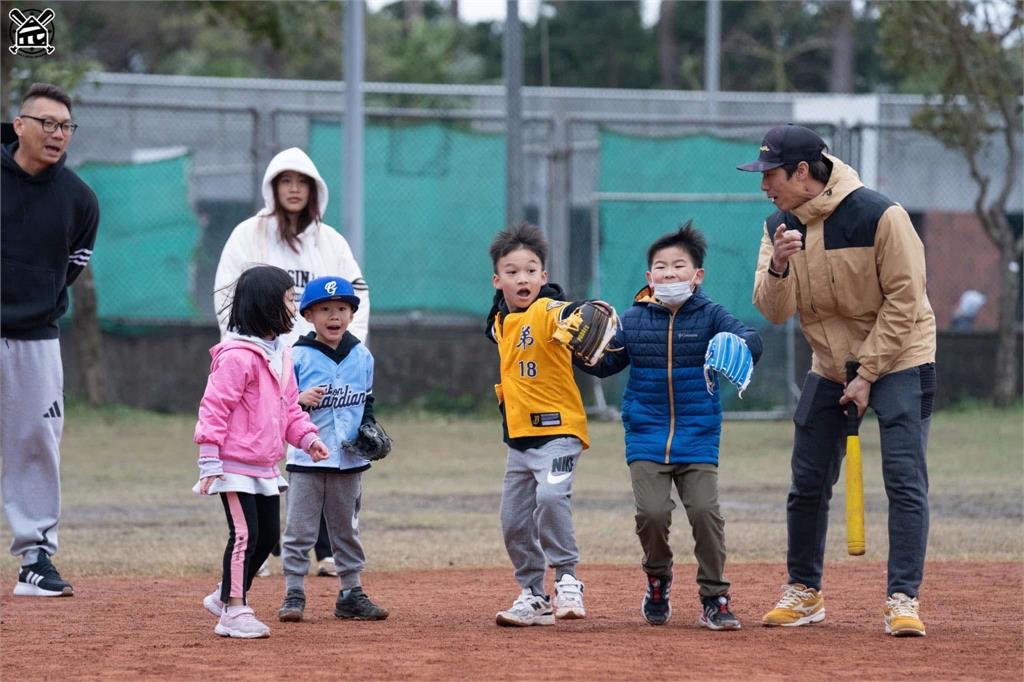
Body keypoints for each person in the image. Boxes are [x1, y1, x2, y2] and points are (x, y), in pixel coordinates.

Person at [738, 124, 936, 637]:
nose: (765, 187)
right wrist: (778, 266)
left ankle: (902, 598)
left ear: (803, 172)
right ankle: (804, 592)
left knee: (904, 480)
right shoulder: (777, 226)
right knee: (806, 483)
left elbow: (906, 300)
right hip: (828, 363)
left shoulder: (880, 215)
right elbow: (773, 311)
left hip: (900, 357)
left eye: (771, 175)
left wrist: (868, 373)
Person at [578, 222, 762, 630]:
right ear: (649, 278)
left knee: (705, 513)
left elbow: (750, 336)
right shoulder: (633, 319)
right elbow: (606, 364)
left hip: (698, 434)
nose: (669, 273)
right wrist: (577, 349)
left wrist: (745, 346)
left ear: (697, 275)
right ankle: (657, 579)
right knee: (652, 514)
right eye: (660, 267)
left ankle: (715, 597)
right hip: (646, 432)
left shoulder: (712, 315)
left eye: (679, 266)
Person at [215, 146, 371, 577]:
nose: (294, 189)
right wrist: (242, 348)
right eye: (286, 181)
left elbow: (357, 295)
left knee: (320, 446)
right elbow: (226, 292)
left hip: (319, 358)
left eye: (302, 182)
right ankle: (255, 546)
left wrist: (347, 350)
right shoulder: (249, 234)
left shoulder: (330, 239)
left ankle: (324, 550)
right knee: (258, 446)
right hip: (261, 360)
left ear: (315, 189)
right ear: (273, 187)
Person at [194, 265, 330, 639]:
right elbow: (214, 407)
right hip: (233, 464)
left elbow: (289, 408)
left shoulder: (280, 354)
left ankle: (225, 595)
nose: (295, 306)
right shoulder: (237, 356)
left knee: (268, 536)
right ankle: (233, 610)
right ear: (268, 305)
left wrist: (306, 438)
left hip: (265, 467)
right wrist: (209, 458)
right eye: (289, 299)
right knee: (244, 535)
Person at [1, 83, 99, 598]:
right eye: (47, 124)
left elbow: (70, 272)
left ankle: (35, 558)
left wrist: (34, 300)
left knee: (37, 444)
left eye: (66, 127)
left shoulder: (79, 199)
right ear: (20, 125)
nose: (58, 134)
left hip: (35, 338)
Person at [485, 223, 594, 627]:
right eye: (512, 271)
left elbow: (569, 312)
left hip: (559, 433)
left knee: (550, 498)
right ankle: (534, 595)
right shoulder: (500, 322)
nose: (523, 278)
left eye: (531, 270)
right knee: (513, 521)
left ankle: (567, 578)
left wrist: (581, 315)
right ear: (498, 281)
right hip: (519, 440)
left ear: (544, 277)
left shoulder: (548, 312)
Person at [277, 276, 389, 623]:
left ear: (352, 314)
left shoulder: (362, 355)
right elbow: (280, 405)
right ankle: (294, 592)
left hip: (349, 459)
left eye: (341, 308)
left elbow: (366, 400)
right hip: (306, 458)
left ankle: (351, 593)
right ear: (308, 315)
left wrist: (369, 427)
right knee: (299, 530)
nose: (334, 315)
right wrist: (299, 400)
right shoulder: (296, 355)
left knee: (346, 530)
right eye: (324, 309)